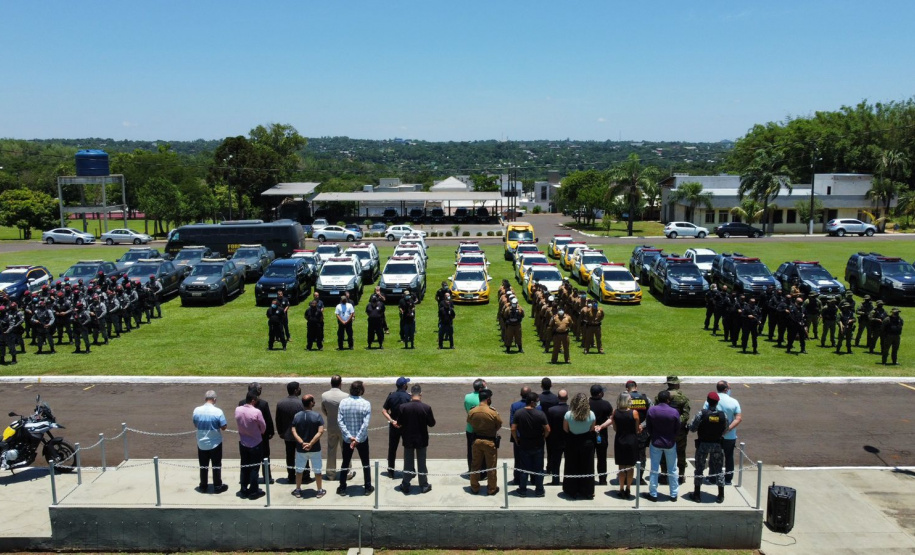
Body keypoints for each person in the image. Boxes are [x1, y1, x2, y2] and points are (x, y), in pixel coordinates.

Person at [688, 392, 728, 504]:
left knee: (699, 469)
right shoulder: (722, 415)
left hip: (703, 444)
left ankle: (697, 494)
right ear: (717, 402)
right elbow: (726, 427)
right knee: (719, 469)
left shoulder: (702, 413)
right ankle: (721, 495)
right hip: (717, 445)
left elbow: (693, 428)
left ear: (707, 400)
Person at [397, 384, 436, 494]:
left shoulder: (403, 407)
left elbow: (399, 422)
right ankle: (423, 485)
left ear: (410, 394)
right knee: (422, 463)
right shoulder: (426, 408)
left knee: (408, 463)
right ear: (420, 394)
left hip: (408, 438)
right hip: (422, 439)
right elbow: (432, 423)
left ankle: (405, 484)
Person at [337, 381, 373, 496]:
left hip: (348, 439)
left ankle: (342, 487)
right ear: (361, 391)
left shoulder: (343, 402)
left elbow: (340, 421)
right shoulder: (366, 404)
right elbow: (365, 424)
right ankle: (367, 487)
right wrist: (357, 438)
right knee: (365, 462)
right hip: (361, 439)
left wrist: (349, 436)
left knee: (345, 463)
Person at [601, 392, 639, 499]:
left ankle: (621, 488)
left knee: (621, 467)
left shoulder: (615, 412)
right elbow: (636, 429)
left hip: (620, 441)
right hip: (631, 441)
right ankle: (628, 489)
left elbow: (615, 428)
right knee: (630, 467)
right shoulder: (634, 413)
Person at [511, 391, 549, 497]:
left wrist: (516, 438)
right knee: (539, 469)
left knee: (524, 469)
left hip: (524, 444)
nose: (538, 403)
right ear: (532, 402)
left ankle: (523, 490)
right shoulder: (540, 414)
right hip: (538, 445)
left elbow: (513, 428)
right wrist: (544, 437)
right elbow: (548, 429)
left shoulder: (519, 413)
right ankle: (539, 490)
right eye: (537, 401)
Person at [705, 380, 742, 485]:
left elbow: (705, 415)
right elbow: (738, 418)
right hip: (729, 436)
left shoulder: (710, 400)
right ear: (726, 389)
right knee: (729, 457)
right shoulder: (734, 402)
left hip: (714, 435)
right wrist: (727, 429)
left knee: (713, 456)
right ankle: (728, 479)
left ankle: (712, 478)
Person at [645, 390, 680, 502]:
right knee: (672, 469)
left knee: (654, 469)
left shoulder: (652, 410)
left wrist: (654, 436)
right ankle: (674, 494)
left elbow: (649, 427)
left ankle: (653, 493)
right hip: (670, 443)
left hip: (656, 442)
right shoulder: (674, 412)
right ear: (668, 400)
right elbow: (677, 428)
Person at [655, 376, 690, 486]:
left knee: (663, 452)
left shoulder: (659, 397)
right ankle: (681, 475)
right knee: (680, 453)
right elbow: (686, 415)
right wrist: (676, 422)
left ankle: (664, 475)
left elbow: (657, 412)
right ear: (676, 384)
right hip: (679, 431)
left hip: (663, 430)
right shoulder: (683, 398)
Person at [192, 390, 229, 494]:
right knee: (216, 465)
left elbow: (195, 424)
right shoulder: (218, 412)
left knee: (203, 465)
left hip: (201, 443)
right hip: (215, 443)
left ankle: (203, 485)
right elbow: (224, 427)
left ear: (205, 399)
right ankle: (217, 485)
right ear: (214, 399)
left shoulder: (196, 410)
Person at [238, 382, 275, 484]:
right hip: (262, 436)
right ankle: (267, 478)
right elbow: (267, 420)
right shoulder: (263, 404)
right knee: (265, 457)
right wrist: (270, 432)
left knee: (247, 460)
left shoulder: (241, 403)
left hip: (246, 436)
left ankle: (246, 480)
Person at [290, 394, 326, 499]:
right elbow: (320, 431)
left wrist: (302, 443)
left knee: (299, 470)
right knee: (317, 470)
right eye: (313, 401)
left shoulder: (297, 416)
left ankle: (298, 489)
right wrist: (311, 443)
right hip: (315, 449)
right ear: (311, 403)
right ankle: (319, 490)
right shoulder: (317, 416)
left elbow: (293, 430)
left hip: (301, 449)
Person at [467, 388, 502, 495]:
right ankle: (491, 488)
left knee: (475, 465)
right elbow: (499, 424)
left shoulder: (472, 411)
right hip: (489, 442)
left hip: (476, 441)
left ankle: (474, 487)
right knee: (491, 466)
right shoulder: (492, 412)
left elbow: (469, 422)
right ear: (488, 399)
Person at [562, 392, 596, 500]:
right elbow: (592, 428)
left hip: (572, 441)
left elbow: (565, 429)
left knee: (571, 466)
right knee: (587, 467)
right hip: (587, 442)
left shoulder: (568, 414)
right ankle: (587, 491)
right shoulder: (591, 414)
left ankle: (571, 490)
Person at [321, 375, 354, 482]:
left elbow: (324, 410)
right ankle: (348, 472)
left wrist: (331, 416)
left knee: (331, 450)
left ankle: (330, 474)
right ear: (340, 383)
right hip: (344, 426)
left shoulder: (324, 395)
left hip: (331, 425)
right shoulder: (346, 396)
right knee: (346, 450)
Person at [235, 390, 266, 499]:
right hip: (255, 443)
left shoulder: (238, 409)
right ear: (253, 400)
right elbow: (263, 428)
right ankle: (253, 490)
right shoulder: (256, 412)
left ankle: (243, 489)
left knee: (244, 466)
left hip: (243, 442)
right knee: (254, 468)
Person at [275, 381, 307, 484]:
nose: (300, 389)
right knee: (303, 455)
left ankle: (291, 476)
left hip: (287, 435)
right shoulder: (301, 403)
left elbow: (278, 419)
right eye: (298, 388)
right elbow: (304, 420)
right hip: (300, 436)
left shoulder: (280, 403)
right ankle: (305, 476)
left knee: (289, 456)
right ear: (295, 390)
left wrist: (280, 432)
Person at [382, 377, 412, 477]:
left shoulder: (391, 396)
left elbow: (384, 411)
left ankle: (390, 471)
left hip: (394, 425)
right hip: (406, 426)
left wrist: (392, 421)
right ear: (404, 386)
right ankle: (410, 470)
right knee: (408, 448)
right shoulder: (408, 397)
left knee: (392, 449)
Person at [626, 380, 652, 484]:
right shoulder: (646, 398)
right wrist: (642, 425)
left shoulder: (625, 399)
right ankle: (640, 477)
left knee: (628, 454)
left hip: (629, 431)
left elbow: (621, 413)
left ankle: (628, 476)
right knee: (642, 455)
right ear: (636, 387)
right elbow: (651, 414)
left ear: (627, 388)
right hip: (642, 431)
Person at [588, 384, 612, 485]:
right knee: (602, 458)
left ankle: (589, 478)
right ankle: (603, 479)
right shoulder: (606, 404)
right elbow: (610, 418)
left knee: (589, 458)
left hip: (589, 434)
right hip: (601, 434)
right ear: (600, 394)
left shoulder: (587, 404)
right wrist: (601, 426)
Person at [508, 386, 532, 486]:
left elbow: (512, 423)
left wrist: (516, 436)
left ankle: (517, 479)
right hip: (531, 438)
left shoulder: (515, 405)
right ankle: (534, 479)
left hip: (518, 437)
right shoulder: (537, 406)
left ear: (521, 394)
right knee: (532, 459)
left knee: (518, 460)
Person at [545, 389, 569, 485]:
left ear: (558, 398)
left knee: (556, 462)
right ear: (567, 398)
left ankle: (555, 480)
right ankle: (568, 480)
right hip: (568, 440)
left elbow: (548, 426)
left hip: (555, 440)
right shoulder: (570, 410)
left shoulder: (551, 410)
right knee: (569, 462)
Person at [463, 378, 486, 472]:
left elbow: (466, 409)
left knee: (471, 451)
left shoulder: (467, 397)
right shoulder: (484, 399)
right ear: (481, 388)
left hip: (470, 428)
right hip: (482, 429)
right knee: (482, 451)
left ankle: (471, 470)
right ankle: (482, 471)